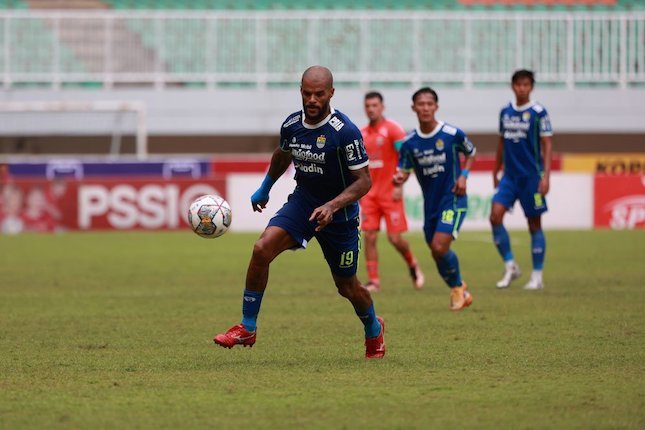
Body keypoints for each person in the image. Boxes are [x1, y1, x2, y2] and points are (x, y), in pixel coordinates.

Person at [213, 66, 385, 359]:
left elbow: (364, 181)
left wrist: (332, 205)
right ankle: (248, 326)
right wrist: (265, 186)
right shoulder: (292, 124)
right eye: (307, 93)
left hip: (340, 216)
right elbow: (283, 154)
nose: (312, 100)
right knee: (261, 249)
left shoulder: (346, 132)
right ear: (301, 92)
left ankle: (373, 327)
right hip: (303, 203)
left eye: (319, 94)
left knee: (347, 286)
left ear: (331, 93)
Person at [393, 87, 476, 311]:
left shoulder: (451, 133)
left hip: (453, 198)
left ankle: (458, 288)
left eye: (430, 104)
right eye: (421, 104)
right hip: (430, 204)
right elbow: (404, 169)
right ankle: (459, 288)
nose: (426, 108)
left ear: (436, 107)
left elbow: (471, 152)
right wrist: (400, 177)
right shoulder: (409, 142)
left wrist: (464, 177)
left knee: (439, 247)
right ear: (414, 108)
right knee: (435, 251)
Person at [490, 69, 553, 290]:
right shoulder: (505, 112)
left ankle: (537, 275)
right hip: (509, 177)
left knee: (534, 224)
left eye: (526, 85)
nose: (522, 88)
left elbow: (547, 144)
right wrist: (495, 169)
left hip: (531, 178)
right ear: (512, 86)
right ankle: (511, 265)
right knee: (495, 216)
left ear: (531, 87)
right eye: (518, 84)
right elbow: (501, 142)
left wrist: (546, 177)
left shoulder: (538, 112)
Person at [359, 91, 424, 292]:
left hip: (390, 193)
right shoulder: (361, 134)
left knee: (395, 239)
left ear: (382, 107)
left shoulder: (393, 130)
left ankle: (413, 263)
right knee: (369, 236)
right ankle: (374, 281)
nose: (371, 109)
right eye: (368, 106)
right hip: (369, 195)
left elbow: (407, 159)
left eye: (375, 105)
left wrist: (399, 185)